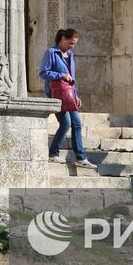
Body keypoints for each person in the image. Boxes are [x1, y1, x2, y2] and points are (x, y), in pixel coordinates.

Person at [40, 28, 95, 169]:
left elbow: (72, 78)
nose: (72, 46)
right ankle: (53, 153)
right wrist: (60, 75)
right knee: (65, 124)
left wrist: (75, 94)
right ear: (63, 38)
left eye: (74, 44)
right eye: (71, 43)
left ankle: (81, 157)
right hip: (57, 95)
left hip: (69, 95)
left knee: (77, 124)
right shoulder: (51, 53)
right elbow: (43, 73)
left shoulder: (70, 56)